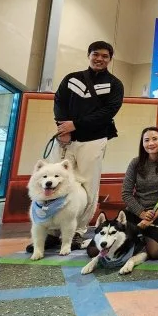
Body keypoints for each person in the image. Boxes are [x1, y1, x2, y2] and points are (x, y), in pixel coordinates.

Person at [26, 40, 124, 253]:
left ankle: (78, 231)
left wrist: (77, 124)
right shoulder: (72, 79)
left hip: (94, 140)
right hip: (66, 139)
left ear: (110, 59)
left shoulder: (115, 84)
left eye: (105, 56)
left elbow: (108, 112)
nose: (99, 59)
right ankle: (52, 232)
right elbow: (59, 102)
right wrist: (64, 128)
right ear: (89, 55)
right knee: (55, 180)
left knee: (88, 187)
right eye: (96, 54)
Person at [86, 126, 158, 263]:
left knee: (155, 253)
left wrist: (151, 218)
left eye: (155, 139)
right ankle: (137, 240)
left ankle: (138, 241)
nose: (151, 143)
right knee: (93, 251)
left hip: (157, 214)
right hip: (134, 213)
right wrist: (141, 213)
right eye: (146, 140)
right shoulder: (135, 163)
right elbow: (126, 193)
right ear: (142, 143)